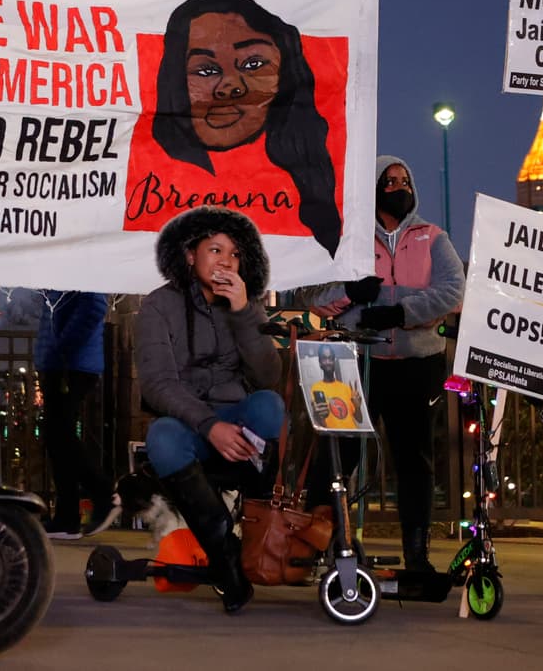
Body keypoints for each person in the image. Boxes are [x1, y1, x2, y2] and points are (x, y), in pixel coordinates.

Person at [298, 154, 464, 571]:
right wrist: (352, 294)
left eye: (404, 179)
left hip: (415, 365)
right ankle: (317, 545)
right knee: (337, 457)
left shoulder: (433, 237)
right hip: (357, 364)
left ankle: (417, 554)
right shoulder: (347, 239)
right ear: (372, 189)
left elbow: (453, 290)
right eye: (388, 181)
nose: (398, 186)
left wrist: (400, 312)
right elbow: (313, 297)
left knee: (415, 461)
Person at [135, 205, 285, 613]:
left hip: (237, 427)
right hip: (191, 428)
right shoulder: (158, 306)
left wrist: (243, 312)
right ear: (189, 254)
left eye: (234, 254)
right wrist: (208, 425)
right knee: (161, 436)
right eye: (215, 250)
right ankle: (226, 557)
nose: (226, 262)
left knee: (269, 406)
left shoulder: (244, 304)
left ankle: (257, 531)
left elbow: (269, 375)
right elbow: (158, 383)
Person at [138, 0, 341, 256]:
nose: (229, 86)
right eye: (206, 70)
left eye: (253, 63)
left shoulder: (313, 185)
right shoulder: (147, 171)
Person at [35, 290, 114, 539]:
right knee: (57, 437)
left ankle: (102, 493)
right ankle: (66, 516)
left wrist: (61, 349)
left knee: (60, 436)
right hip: (61, 362)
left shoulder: (81, 264)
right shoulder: (65, 265)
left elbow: (93, 307)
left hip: (71, 363)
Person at [306, 343, 365, 431]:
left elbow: (359, 420)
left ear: (334, 361)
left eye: (330, 358)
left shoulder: (345, 388)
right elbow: (320, 422)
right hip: (333, 436)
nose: (328, 362)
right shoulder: (316, 388)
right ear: (320, 363)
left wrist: (357, 407)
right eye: (324, 358)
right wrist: (316, 415)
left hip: (353, 434)